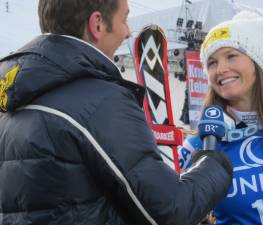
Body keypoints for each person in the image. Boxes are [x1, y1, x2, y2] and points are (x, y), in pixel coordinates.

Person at [0, 0, 233, 224]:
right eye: (124, 19)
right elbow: (171, 211)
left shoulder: (14, 100)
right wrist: (214, 163)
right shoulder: (97, 99)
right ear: (97, 24)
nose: (128, 32)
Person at [178, 11, 263, 224]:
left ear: (256, 62)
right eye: (212, 63)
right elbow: (172, 207)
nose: (221, 69)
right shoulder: (201, 142)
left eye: (231, 56)